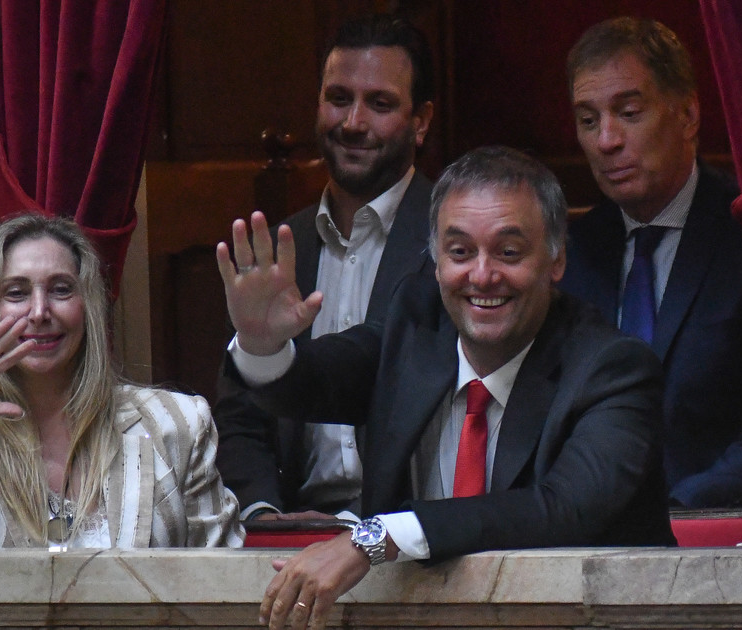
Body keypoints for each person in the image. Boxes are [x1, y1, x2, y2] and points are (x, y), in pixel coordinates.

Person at [216, 146, 674, 630]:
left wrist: (377, 538)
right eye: (460, 252)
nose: (482, 275)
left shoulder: (613, 369)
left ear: (556, 259)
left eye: (509, 252)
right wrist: (262, 343)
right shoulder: (416, 325)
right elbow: (311, 382)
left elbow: (563, 509)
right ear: (435, 263)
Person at [0, 214, 244, 549]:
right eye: (16, 293)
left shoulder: (176, 422)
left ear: (88, 305)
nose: (39, 311)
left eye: (61, 289)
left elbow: (220, 571)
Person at [213, 13, 435, 521]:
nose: (353, 123)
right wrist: (263, 515)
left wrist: (362, 527)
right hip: (288, 535)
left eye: (380, 104)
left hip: (407, 536)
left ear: (421, 121)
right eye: (338, 98)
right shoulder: (277, 250)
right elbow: (241, 413)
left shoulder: (456, 245)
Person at [560, 17, 742, 508]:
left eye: (628, 113)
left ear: (688, 114)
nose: (606, 140)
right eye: (588, 120)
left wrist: (672, 519)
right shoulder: (570, 254)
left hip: (715, 526)